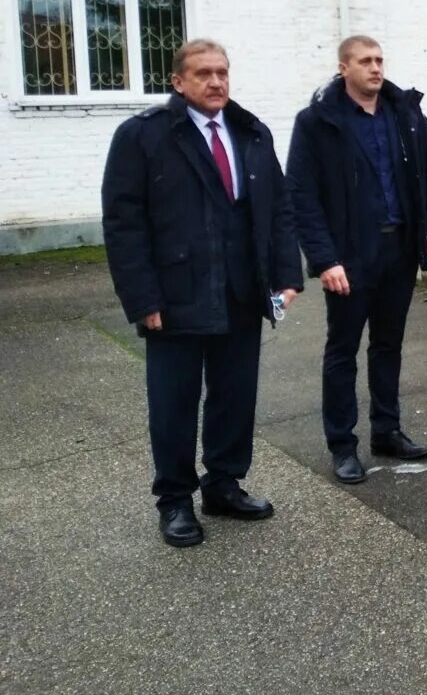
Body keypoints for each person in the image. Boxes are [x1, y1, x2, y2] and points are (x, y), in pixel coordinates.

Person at [101, 40, 302, 548]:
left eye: (222, 73)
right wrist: (142, 298)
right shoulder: (143, 137)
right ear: (179, 82)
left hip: (241, 292)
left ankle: (223, 484)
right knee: (173, 403)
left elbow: (277, 208)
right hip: (175, 296)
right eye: (204, 74)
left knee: (235, 396)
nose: (216, 82)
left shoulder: (251, 132)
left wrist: (286, 275)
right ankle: (174, 501)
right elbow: (124, 224)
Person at [287, 36, 427, 484]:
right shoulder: (318, 121)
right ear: (344, 69)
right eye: (365, 61)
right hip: (349, 257)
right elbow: (301, 194)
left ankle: (387, 429)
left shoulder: (405, 114)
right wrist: (324, 259)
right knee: (342, 350)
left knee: (388, 345)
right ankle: (342, 444)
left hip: (399, 248)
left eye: (379, 60)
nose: (376, 68)